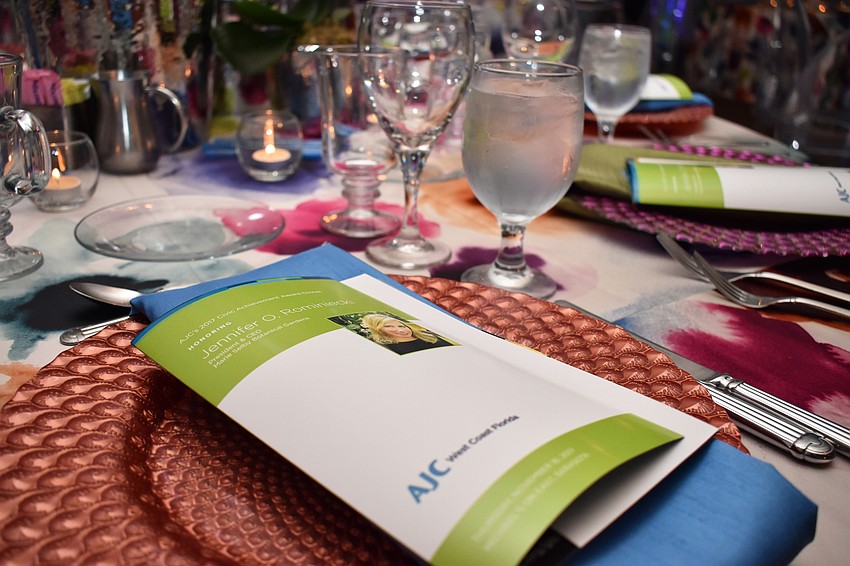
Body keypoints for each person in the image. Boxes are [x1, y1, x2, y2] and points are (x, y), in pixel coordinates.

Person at [359, 313, 455, 355]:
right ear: (377, 330)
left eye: (401, 326)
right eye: (389, 326)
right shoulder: (384, 347)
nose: (401, 330)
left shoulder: (427, 335)